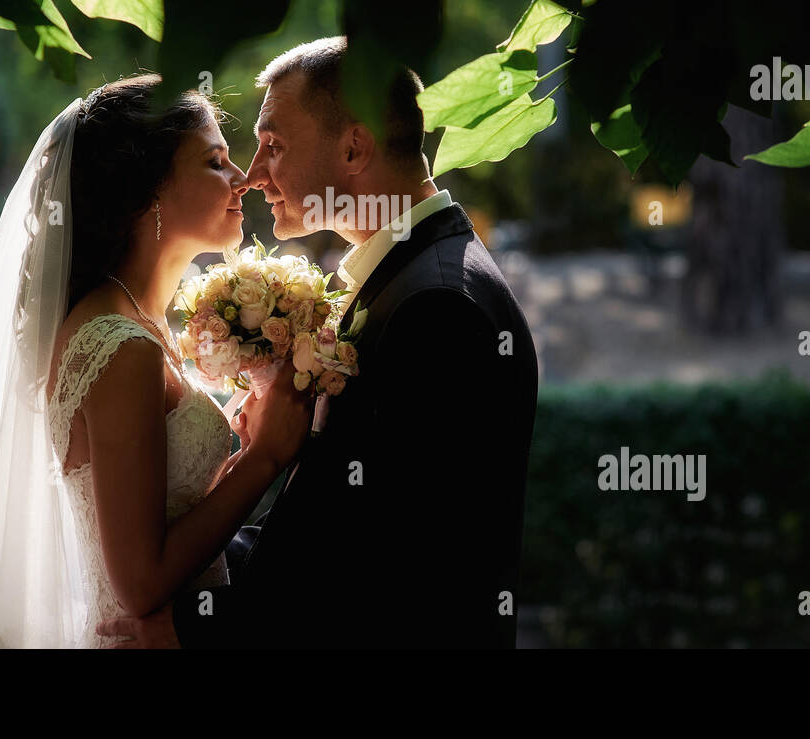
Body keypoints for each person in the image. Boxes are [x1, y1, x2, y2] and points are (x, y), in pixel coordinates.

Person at [98, 38, 540, 648]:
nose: (252, 175)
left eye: (274, 145)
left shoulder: (437, 307)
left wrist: (191, 625)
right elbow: (324, 528)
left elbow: (390, 573)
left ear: (354, 147)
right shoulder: (404, 283)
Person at [0, 73, 313, 648]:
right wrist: (263, 460)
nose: (243, 179)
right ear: (147, 191)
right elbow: (140, 582)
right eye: (214, 162)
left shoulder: (134, 323)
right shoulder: (119, 345)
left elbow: (163, 514)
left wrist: (237, 457)